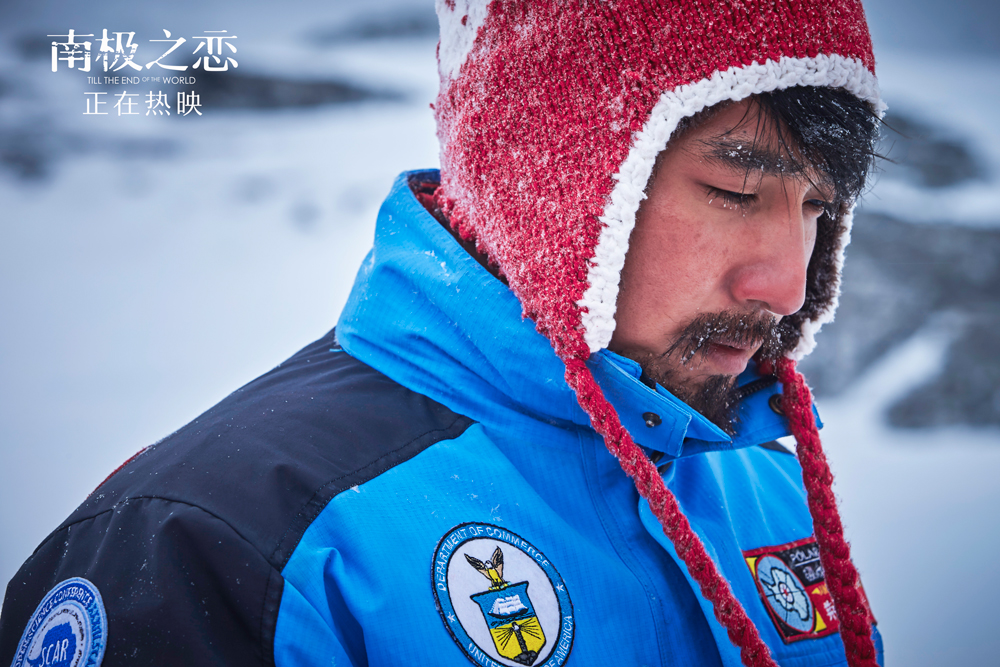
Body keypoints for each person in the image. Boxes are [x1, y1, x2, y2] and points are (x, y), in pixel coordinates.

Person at [0, 1, 886, 666]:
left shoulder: (763, 484)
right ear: (559, 179)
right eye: (735, 192)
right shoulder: (224, 540)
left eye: (819, 207)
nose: (788, 284)